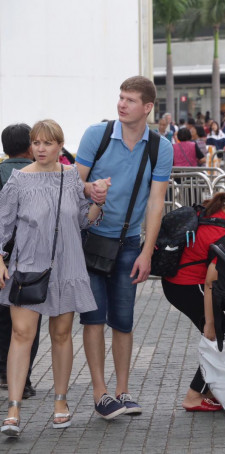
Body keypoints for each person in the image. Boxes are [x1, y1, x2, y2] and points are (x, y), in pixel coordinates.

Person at [76, 76, 173, 420]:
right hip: (90, 240)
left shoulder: (160, 147)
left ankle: (123, 390)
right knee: (94, 318)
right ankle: (101, 393)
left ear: (147, 108)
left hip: (130, 243)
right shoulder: (96, 135)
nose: (121, 104)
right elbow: (75, 182)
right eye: (120, 98)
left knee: (124, 321)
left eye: (130, 100)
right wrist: (91, 190)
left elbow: (156, 203)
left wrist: (147, 252)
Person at [0, 120, 105, 437]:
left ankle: (61, 402)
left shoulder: (71, 177)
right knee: (21, 334)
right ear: (30, 146)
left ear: (60, 146)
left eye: (48, 143)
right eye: (36, 142)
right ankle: (13, 409)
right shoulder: (18, 180)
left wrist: (98, 202)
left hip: (67, 267)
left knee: (61, 336)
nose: (41, 148)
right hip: (28, 266)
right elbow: (2, 225)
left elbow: (84, 220)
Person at [162, 182, 225, 412]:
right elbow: (210, 283)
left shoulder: (215, 210)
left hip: (178, 283)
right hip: (188, 286)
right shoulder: (222, 234)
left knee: (220, 335)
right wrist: (210, 323)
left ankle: (210, 391)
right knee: (219, 337)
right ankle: (193, 396)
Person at [0, 124, 39, 399]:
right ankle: (21, 379)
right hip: (28, 257)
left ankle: (3, 372)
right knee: (27, 321)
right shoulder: (39, 173)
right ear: (30, 146)